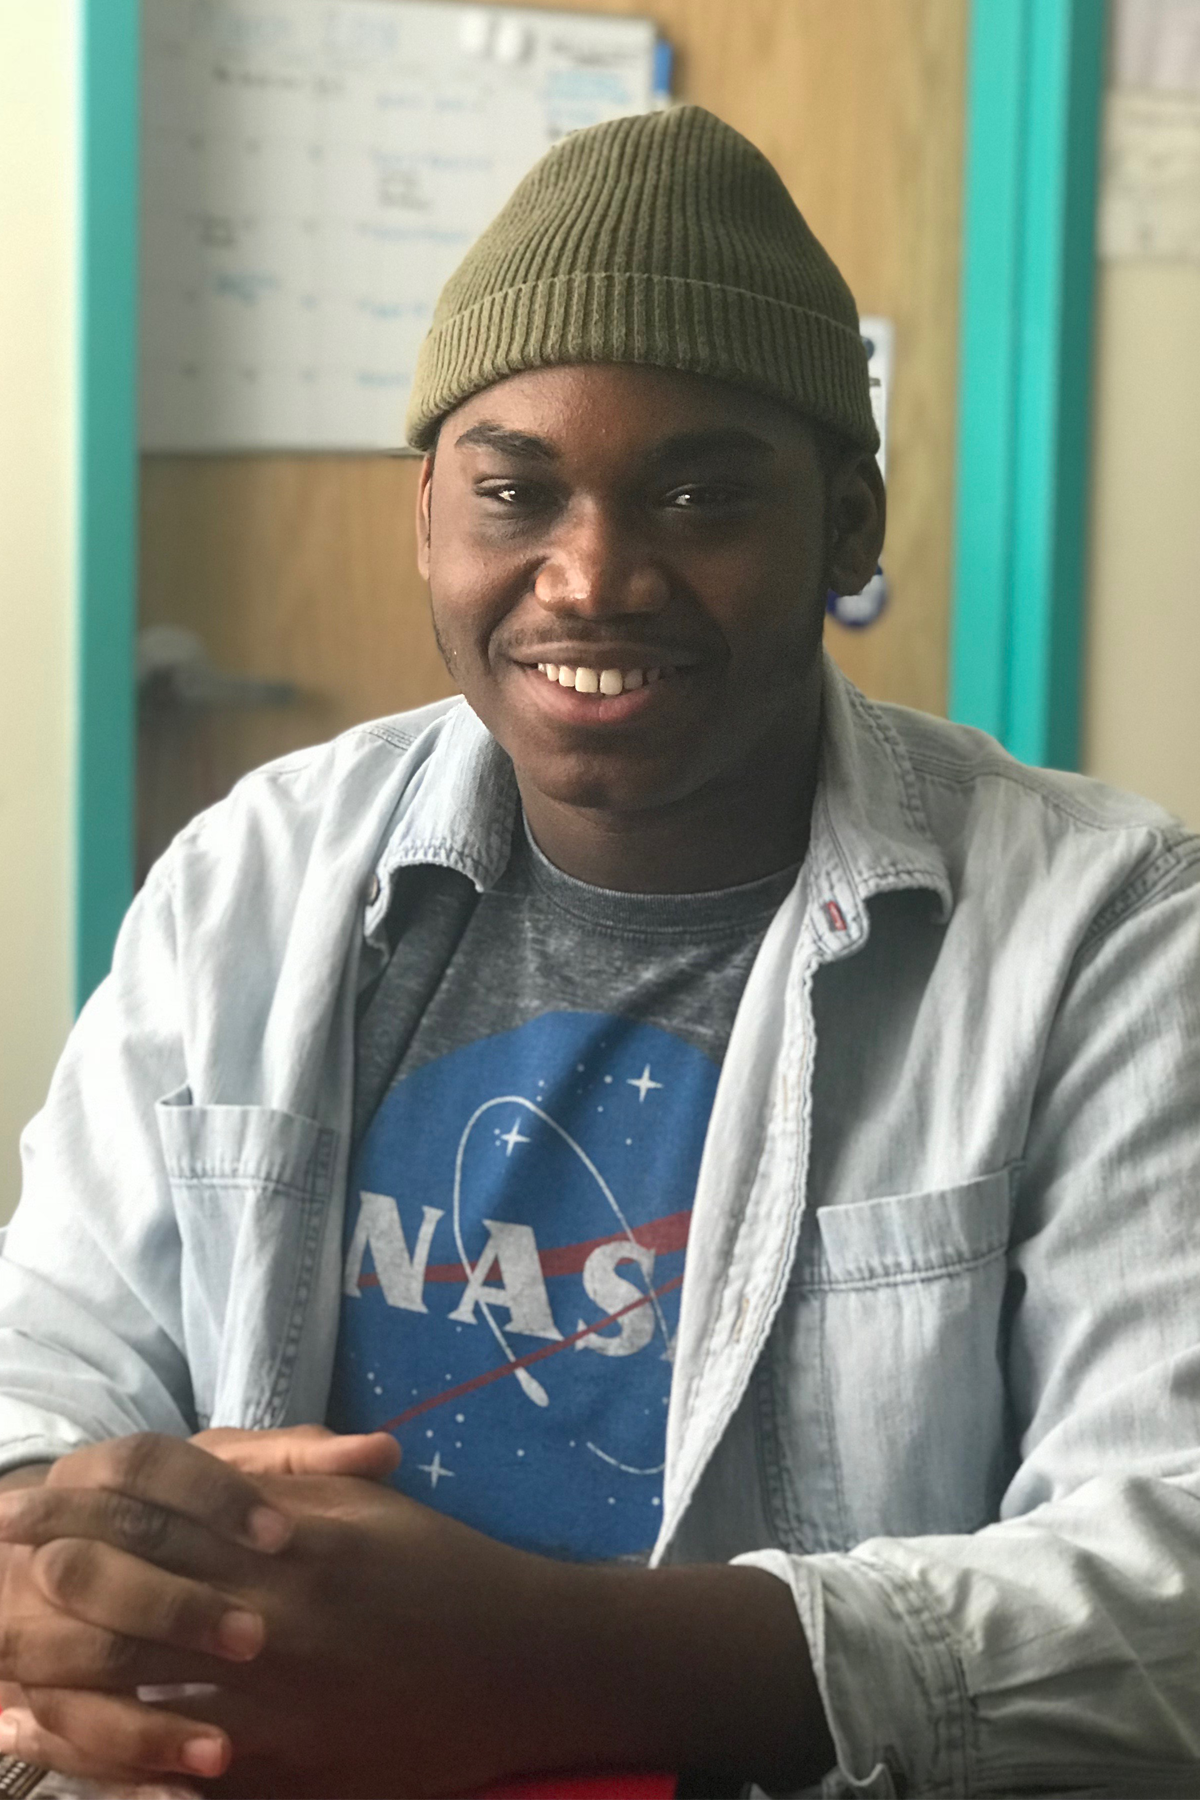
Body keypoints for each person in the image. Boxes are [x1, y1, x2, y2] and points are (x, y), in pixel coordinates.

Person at [0, 102, 1199, 1800]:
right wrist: (63, 1556)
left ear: (849, 529)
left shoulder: (1102, 931)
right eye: (517, 493)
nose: (591, 575)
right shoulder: (252, 876)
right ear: (432, 518)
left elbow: (1172, 1592)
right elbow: (42, 1369)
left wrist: (547, 1671)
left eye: (703, 495)